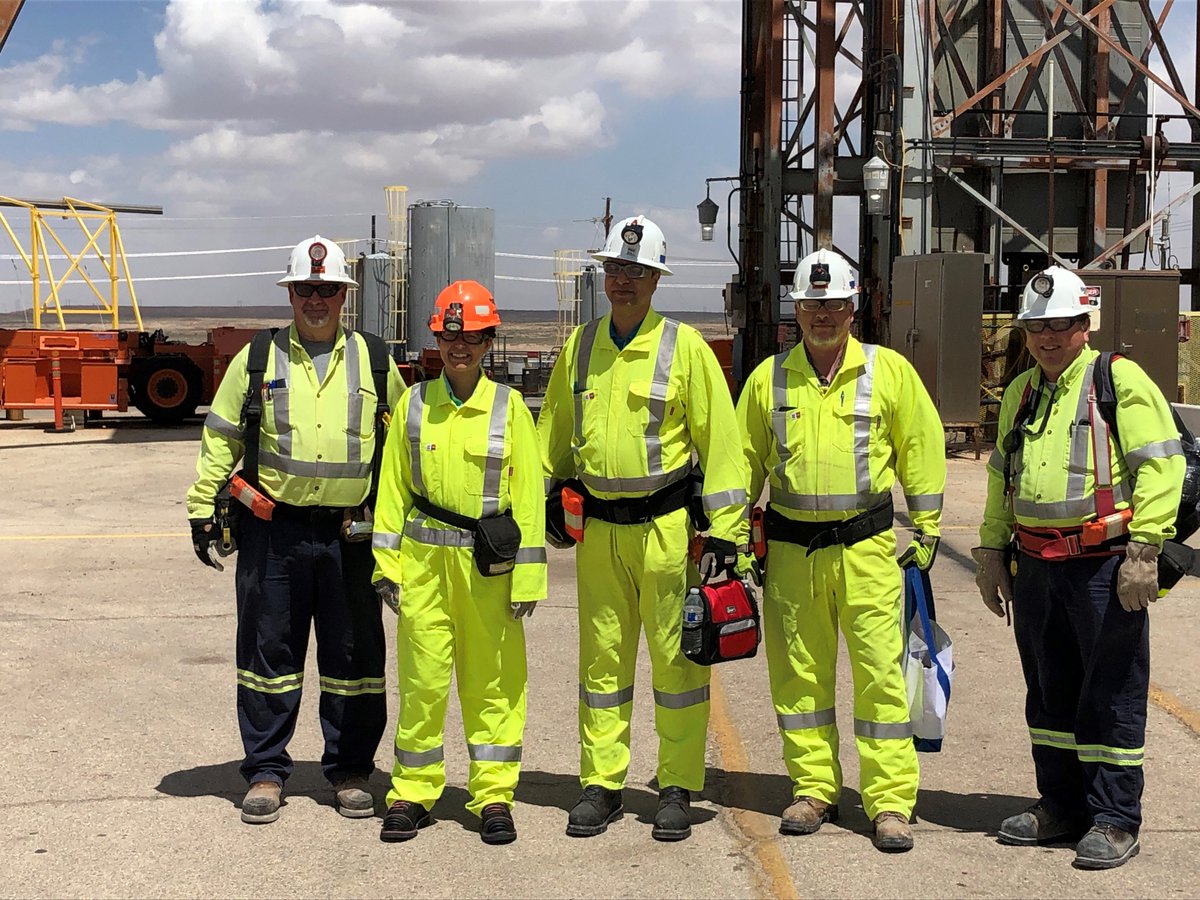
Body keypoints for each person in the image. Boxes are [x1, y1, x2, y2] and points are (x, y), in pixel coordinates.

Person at [538, 215, 750, 842]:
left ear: (657, 279)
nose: (623, 280)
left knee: (678, 665)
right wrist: (548, 495)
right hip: (599, 534)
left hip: (666, 532)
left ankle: (676, 785)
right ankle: (601, 785)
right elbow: (554, 435)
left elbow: (723, 445)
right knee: (601, 663)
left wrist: (726, 533)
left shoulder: (685, 348)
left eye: (636, 270)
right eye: (615, 268)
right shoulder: (580, 348)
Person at [187, 235, 404, 825]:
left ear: (344, 296)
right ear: (290, 293)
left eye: (327, 289)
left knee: (354, 655)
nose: (316, 299)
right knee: (268, 651)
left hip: (352, 536)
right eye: (305, 288)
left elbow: (405, 445)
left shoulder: (375, 361)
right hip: (273, 533)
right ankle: (265, 770)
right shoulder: (257, 359)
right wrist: (202, 506)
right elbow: (221, 437)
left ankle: (351, 770)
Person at [734, 247, 945, 853]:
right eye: (810, 304)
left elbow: (921, 446)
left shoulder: (888, 372)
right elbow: (741, 462)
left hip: (867, 549)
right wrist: (734, 533)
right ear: (795, 309)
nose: (821, 314)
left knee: (880, 675)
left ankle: (890, 801)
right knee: (799, 677)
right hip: (792, 552)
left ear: (854, 307)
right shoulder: (769, 379)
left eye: (832, 303)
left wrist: (927, 528)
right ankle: (813, 789)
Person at [974, 266, 1184, 870]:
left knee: (1111, 693)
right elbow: (1001, 477)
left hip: (1103, 567)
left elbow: (1161, 465)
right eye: (1036, 326)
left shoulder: (1117, 379)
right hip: (1037, 568)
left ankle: (1115, 818)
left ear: (1084, 324)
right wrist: (991, 551)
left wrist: (1145, 550)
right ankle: (1061, 805)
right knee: (1049, 692)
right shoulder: (1021, 392)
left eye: (1060, 324)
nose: (1047, 337)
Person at [371, 280, 546, 846]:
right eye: (450, 338)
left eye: (471, 337)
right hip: (423, 569)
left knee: (492, 684)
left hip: (488, 572)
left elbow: (529, 498)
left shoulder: (509, 409)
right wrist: (386, 565)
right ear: (437, 342)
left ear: (489, 341)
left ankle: (493, 796)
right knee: (421, 685)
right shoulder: (413, 404)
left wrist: (528, 576)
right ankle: (412, 792)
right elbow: (393, 490)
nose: (459, 347)